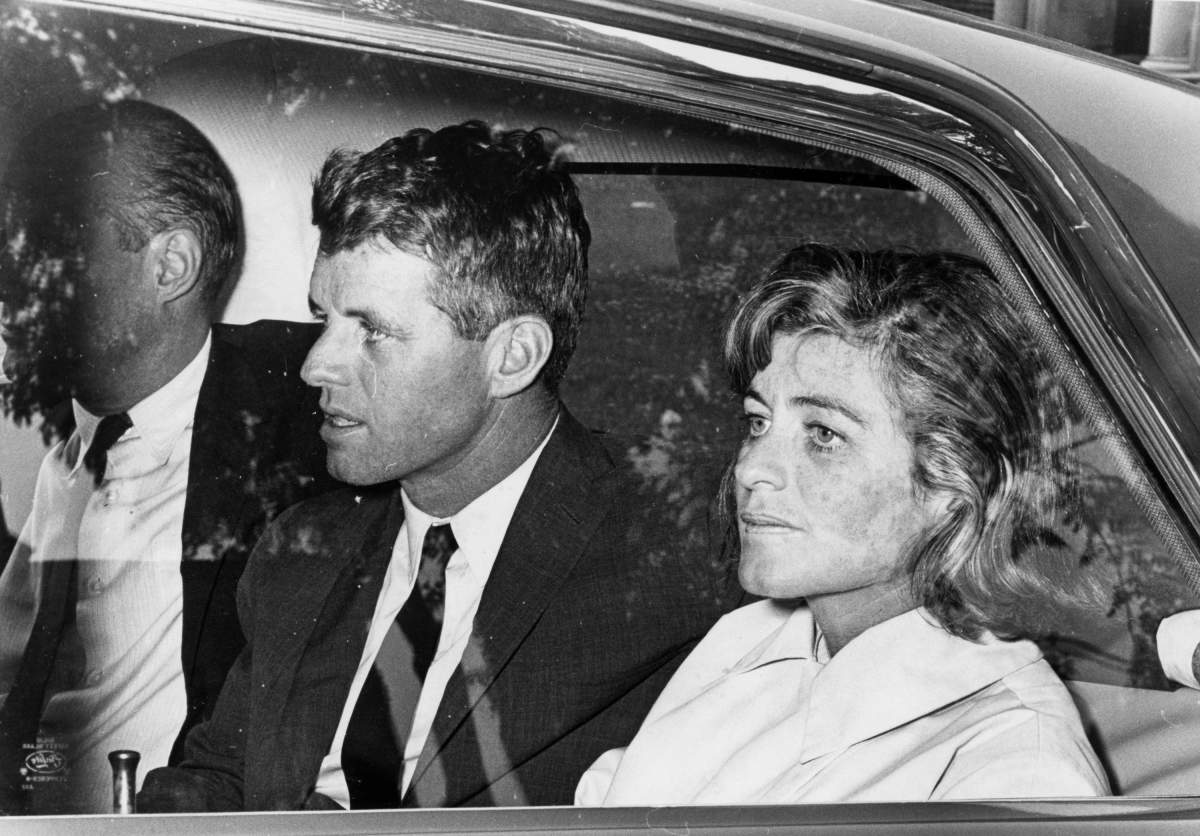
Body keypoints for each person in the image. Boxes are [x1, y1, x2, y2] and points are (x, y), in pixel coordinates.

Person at [137, 120, 736, 812]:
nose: (314, 364)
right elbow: (224, 775)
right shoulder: (297, 554)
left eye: (372, 330)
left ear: (512, 357)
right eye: (324, 319)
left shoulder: (684, 551)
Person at [576, 244, 1110, 805]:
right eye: (758, 422)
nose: (751, 469)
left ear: (957, 487)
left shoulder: (1017, 770)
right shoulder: (749, 639)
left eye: (824, 435)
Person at [0, 100, 333, 813]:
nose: (8, 278)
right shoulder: (57, 461)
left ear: (170, 265)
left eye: (43, 247)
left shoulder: (309, 400)